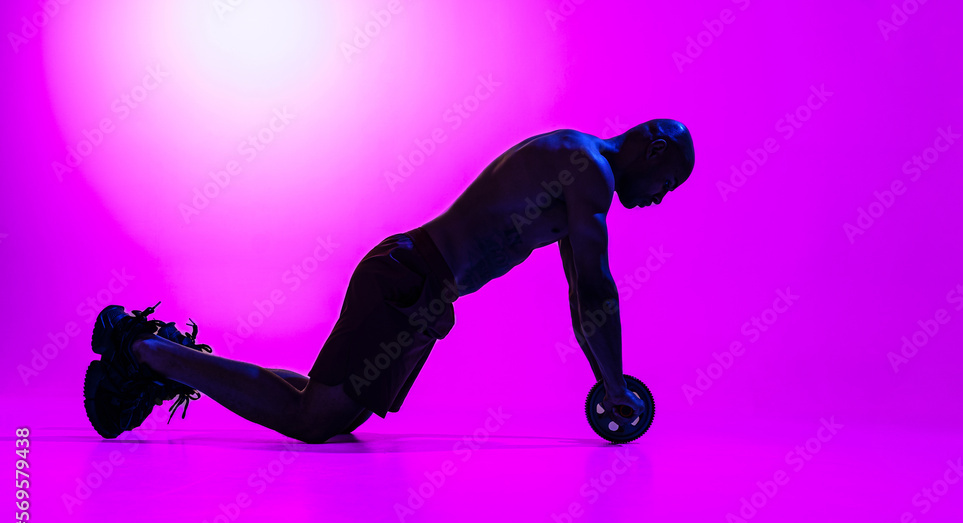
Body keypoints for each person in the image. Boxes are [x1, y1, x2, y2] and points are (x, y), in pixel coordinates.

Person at [83, 120, 695, 443]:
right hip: (409, 277)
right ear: (654, 150)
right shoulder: (588, 169)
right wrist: (613, 384)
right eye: (668, 183)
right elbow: (596, 288)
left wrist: (606, 378)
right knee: (312, 422)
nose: (660, 200)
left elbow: (580, 290)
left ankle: (167, 357)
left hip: (426, 292)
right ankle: (149, 351)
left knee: (335, 413)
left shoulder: (578, 168)